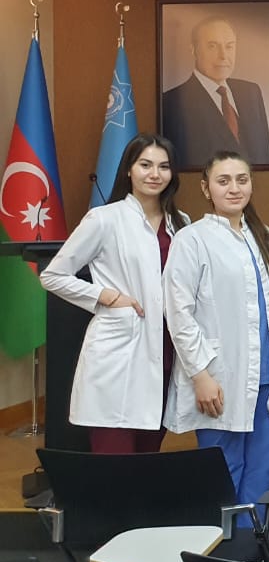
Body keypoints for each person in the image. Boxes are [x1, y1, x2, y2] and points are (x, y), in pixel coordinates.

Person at [40, 133, 188, 454]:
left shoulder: (181, 223)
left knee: (149, 453)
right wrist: (105, 296)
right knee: (114, 456)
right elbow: (53, 275)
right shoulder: (105, 219)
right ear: (128, 170)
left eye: (164, 167)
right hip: (119, 349)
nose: (155, 174)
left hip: (165, 350)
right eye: (145, 165)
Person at [164, 150, 269, 520]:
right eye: (223, 181)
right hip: (219, 376)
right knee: (224, 470)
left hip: (267, 378)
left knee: (262, 470)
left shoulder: (263, 235)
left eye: (242, 180)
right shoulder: (192, 239)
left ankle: (253, 545)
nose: (234, 188)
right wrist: (200, 375)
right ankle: (225, 548)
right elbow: (179, 312)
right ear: (206, 188)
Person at [162, 16, 269, 167]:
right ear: (194, 49)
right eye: (212, 46)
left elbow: (265, 156)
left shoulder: (251, 92)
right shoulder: (172, 103)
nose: (223, 56)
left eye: (229, 46)